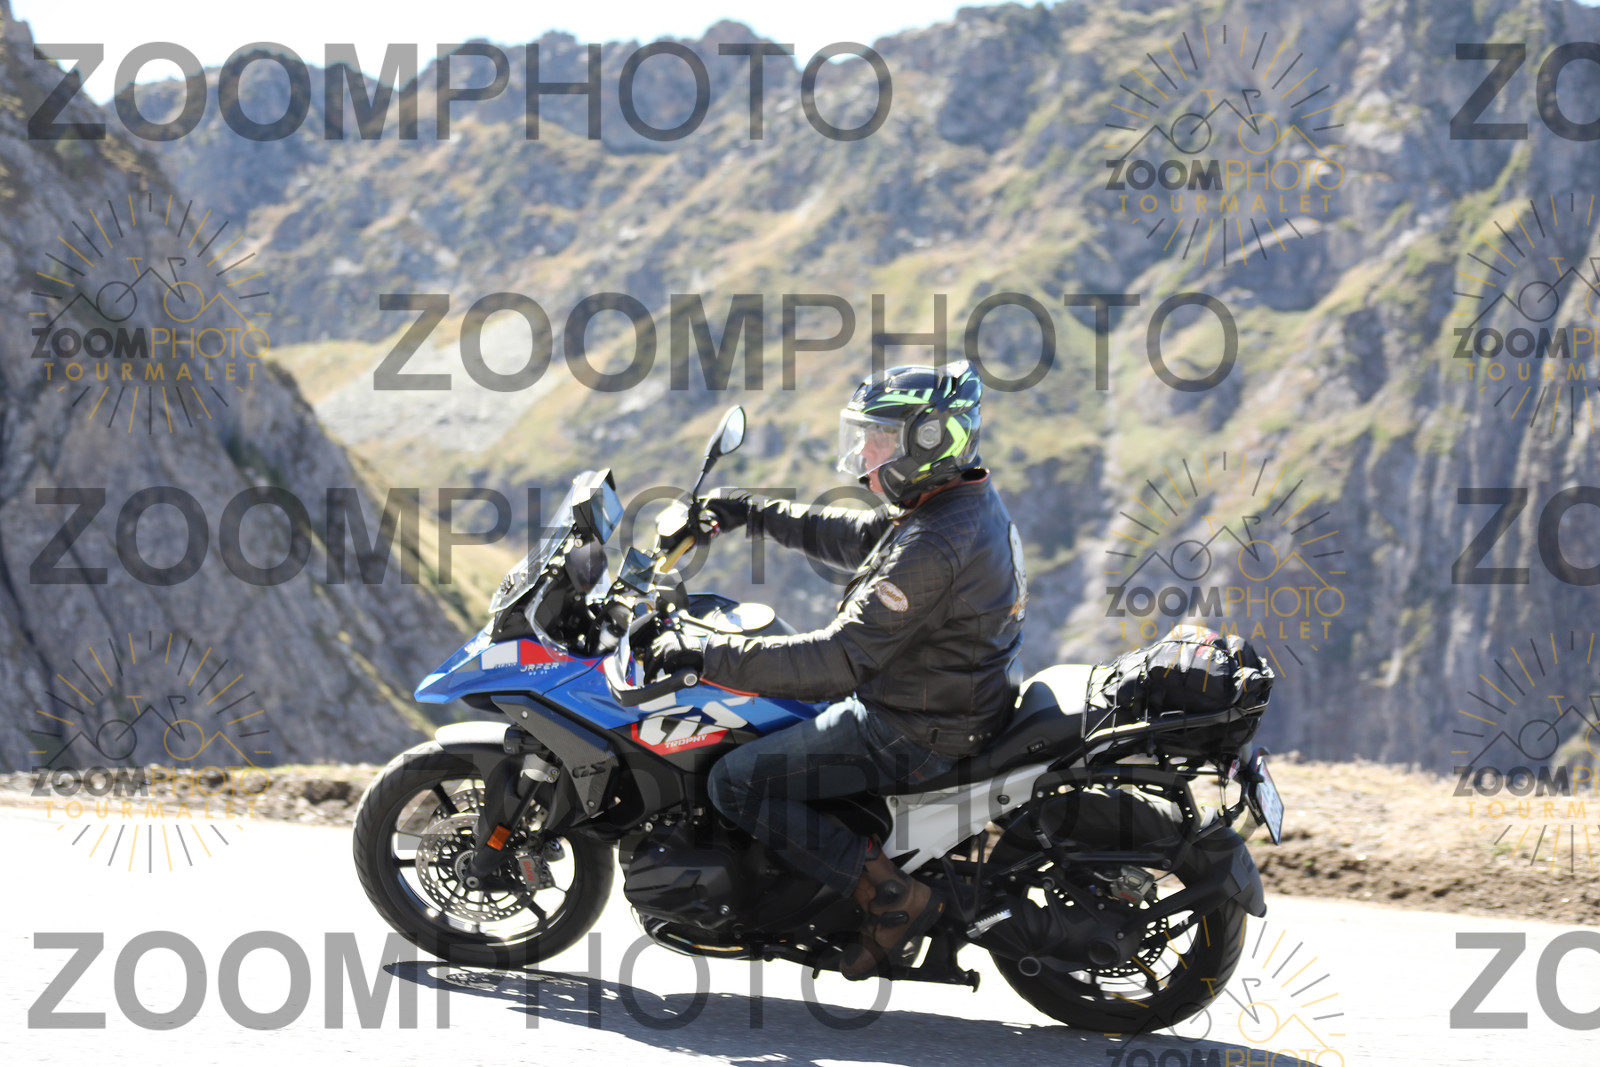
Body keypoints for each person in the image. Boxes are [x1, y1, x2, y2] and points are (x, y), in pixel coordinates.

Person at [644, 360, 1029, 979]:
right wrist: (749, 512)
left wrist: (703, 655)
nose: (866, 452)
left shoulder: (935, 541)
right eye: (867, 435)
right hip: (948, 702)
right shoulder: (952, 504)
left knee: (735, 782)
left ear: (929, 439)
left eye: (881, 437)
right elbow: (857, 536)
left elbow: (837, 660)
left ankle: (887, 896)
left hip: (912, 730)